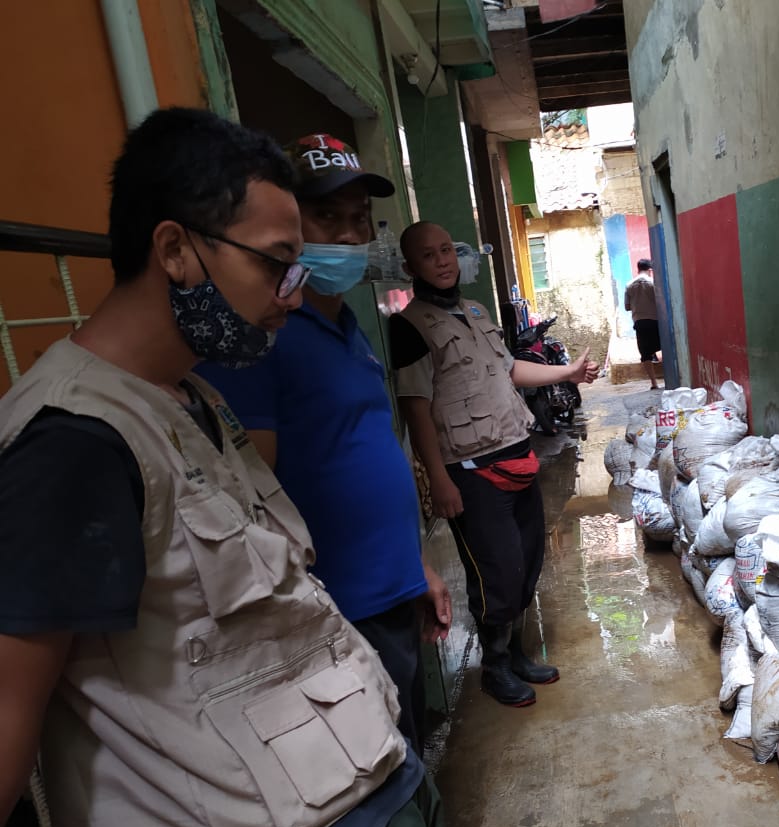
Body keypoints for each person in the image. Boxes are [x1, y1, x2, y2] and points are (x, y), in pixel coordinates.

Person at [0, 109, 469, 827]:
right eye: (277, 264)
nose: (295, 290)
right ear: (176, 251)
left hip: (365, 772)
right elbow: (9, 703)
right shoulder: (73, 443)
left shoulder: (192, 400)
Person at [198, 133, 451, 759]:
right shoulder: (264, 338)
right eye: (327, 219)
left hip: (390, 592)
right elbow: (252, 496)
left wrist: (412, 566)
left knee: (412, 760)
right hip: (338, 617)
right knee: (378, 778)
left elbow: (357, 451)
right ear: (289, 228)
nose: (346, 236)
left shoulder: (348, 325)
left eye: (358, 221)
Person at [389, 221, 599, 708]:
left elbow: (510, 369)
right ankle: (495, 666)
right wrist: (437, 478)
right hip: (468, 468)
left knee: (526, 562)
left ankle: (517, 653)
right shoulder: (409, 326)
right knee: (496, 571)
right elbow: (416, 407)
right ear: (410, 267)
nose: (442, 261)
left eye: (447, 250)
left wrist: (566, 371)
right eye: (429, 255)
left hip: (515, 451)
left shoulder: (477, 311)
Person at [624, 257, 661, 389]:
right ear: (650, 270)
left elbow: (627, 307)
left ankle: (653, 382)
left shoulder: (629, 285)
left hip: (639, 322)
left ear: (638, 269)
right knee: (663, 347)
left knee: (645, 353)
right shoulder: (653, 283)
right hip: (655, 320)